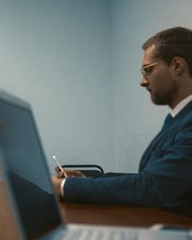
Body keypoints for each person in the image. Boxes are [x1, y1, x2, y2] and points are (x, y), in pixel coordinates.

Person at [51, 27, 192, 216]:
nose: (142, 81)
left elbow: (153, 187)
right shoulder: (177, 118)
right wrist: (86, 182)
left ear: (177, 66)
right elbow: (152, 178)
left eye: (148, 70)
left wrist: (66, 187)